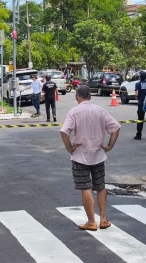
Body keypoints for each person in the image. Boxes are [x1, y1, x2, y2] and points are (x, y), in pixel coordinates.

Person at [60, 85, 121, 231]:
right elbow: (115, 128)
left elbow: (64, 131)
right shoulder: (100, 110)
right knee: (100, 187)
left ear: (77, 97)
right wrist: (109, 146)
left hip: (80, 155)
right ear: (90, 96)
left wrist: (69, 148)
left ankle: (91, 221)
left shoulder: (74, 112)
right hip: (98, 155)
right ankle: (103, 220)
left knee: (85, 188)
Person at [134, 71, 146, 140]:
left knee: (140, 119)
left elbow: (136, 94)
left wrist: (136, 97)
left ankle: (139, 134)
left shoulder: (138, 84)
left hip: (141, 103)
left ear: (140, 77)